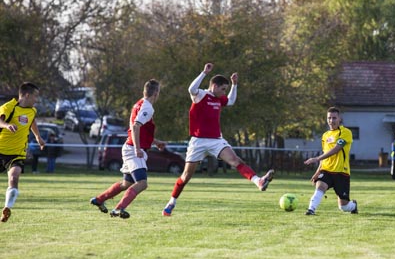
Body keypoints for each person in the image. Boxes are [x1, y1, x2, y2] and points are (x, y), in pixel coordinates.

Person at [162, 63, 274, 217]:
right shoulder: (201, 95)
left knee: (235, 160)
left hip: (216, 140)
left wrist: (234, 85)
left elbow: (231, 101)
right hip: (198, 142)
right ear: (214, 86)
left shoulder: (219, 99)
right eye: (223, 89)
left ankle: (258, 181)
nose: (224, 92)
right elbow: (191, 89)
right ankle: (171, 202)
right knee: (186, 176)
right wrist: (204, 72)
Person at [90, 79, 166, 219]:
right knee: (142, 183)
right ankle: (118, 209)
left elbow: (139, 130)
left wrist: (155, 142)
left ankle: (99, 199)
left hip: (129, 146)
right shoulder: (147, 107)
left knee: (126, 183)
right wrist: (138, 149)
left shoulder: (139, 103)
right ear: (156, 93)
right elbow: (136, 126)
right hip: (133, 149)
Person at [0, 82, 46, 222]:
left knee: (14, 178)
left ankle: (7, 208)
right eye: (35, 96)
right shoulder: (9, 107)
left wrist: (38, 137)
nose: (36, 100)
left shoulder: (32, 111)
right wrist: (7, 125)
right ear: (27, 95)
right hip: (1, 150)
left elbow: (32, 122)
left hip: (17, 153)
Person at [303, 107, 358, 216]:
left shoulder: (345, 132)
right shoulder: (325, 135)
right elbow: (325, 153)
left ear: (339, 119)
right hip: (326, 170)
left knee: (344, 207)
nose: (331, 121)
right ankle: (311, 209)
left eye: (334, 118)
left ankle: (353, 205)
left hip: (341, 172)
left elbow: (336, 149)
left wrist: (317, 158)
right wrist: (318, 171)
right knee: (320, 187)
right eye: (329, 118)